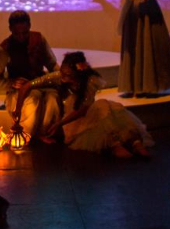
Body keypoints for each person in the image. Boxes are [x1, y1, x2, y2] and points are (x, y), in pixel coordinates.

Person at [14, 52, 154, 158]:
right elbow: (27, 86)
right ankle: (114, 144)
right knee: (102, 107)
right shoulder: (58, 77)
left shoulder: (90, 81)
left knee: (110, 107)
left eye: (68, 75)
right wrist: (18, 109)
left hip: (87, 114)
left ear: (77, 74)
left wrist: (58, 123)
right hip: (73, 124)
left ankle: (134, 142)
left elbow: (85, 108)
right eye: (62, 72)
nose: (63, 77)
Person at [0, 10, 60, 137]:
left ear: (29, 26)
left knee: (53, 98)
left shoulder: (39, 39)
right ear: (10, 29)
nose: (21, 37)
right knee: (34, 98)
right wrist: (11, 83)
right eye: (17, 34)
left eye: (24, 33)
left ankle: (47, 133)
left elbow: (52, 64)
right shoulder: (4, 49)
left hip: (40, 83)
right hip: (18, 90)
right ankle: (27, 135)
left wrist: (61, 76)